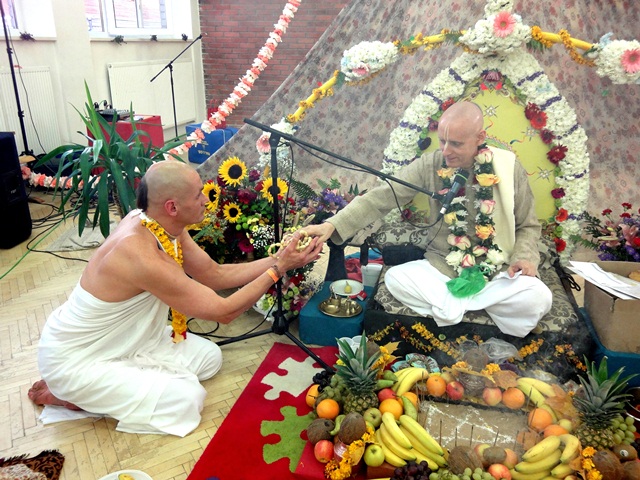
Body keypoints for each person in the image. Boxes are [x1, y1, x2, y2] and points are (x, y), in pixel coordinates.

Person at [28, 160, 322, 436]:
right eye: (198, 195)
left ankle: (115, 385)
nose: (206, 199)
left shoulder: (161, 225)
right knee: (186, 400)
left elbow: (215, 274)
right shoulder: (140, 255)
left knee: (209, 359)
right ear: (172, 206)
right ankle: (70, 395)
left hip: (133, 341)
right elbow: (224, 312)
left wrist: (281, 257)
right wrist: (279, 269)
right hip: (77, 360)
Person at [305, 101, 552, 337]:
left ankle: (456, 306)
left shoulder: (508, 168)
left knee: (538, 297)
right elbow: (382, 195)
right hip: (443, 267)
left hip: (496, 271)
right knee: (396, 279)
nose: (446, 151)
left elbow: (528, 224)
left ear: (479, 138)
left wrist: (524, 258)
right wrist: (332, 224)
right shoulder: (432, 164)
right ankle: (477, 304)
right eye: (442, 141)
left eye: (455, 144)